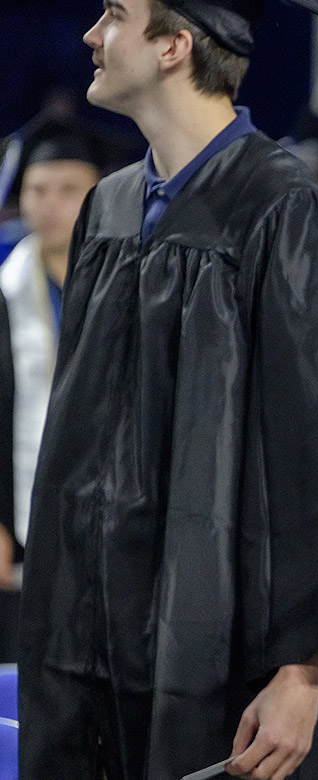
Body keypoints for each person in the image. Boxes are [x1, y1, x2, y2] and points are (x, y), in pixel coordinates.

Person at [16, 1, 318, 778]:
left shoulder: (287, 208)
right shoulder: (109, 208)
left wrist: (304, 670)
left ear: (176, 45)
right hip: (89, 646)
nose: (89, 34)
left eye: (115, 14)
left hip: (218, 656)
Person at [0, 121, 102, 594]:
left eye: (69, 189)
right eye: (36, 190)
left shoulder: (133, 286)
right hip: (20, 526)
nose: (49, 204)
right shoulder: (5, 294)